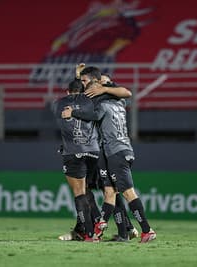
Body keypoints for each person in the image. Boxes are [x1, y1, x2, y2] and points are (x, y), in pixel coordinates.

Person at [62, 66, 156, 243]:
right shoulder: (118, 102)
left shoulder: (104, 103)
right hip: (113, 150)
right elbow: (119, 93)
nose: (85, 86)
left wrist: (73, 112)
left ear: (98, 84)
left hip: (116, 151)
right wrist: (81, 78)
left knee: (128, 193)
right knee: (110, 192)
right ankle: (103, 225)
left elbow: (95, 112)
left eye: (85, 82)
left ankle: (146, 230)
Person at [52, 79, 101, 242]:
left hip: (73, 151)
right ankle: (97, 223)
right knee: (92, 190)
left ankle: (89, 233)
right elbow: (94, 114)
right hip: (93, 151)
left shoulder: (58, 103)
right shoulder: (92, 101)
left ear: (67, 91)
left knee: (79, 192)